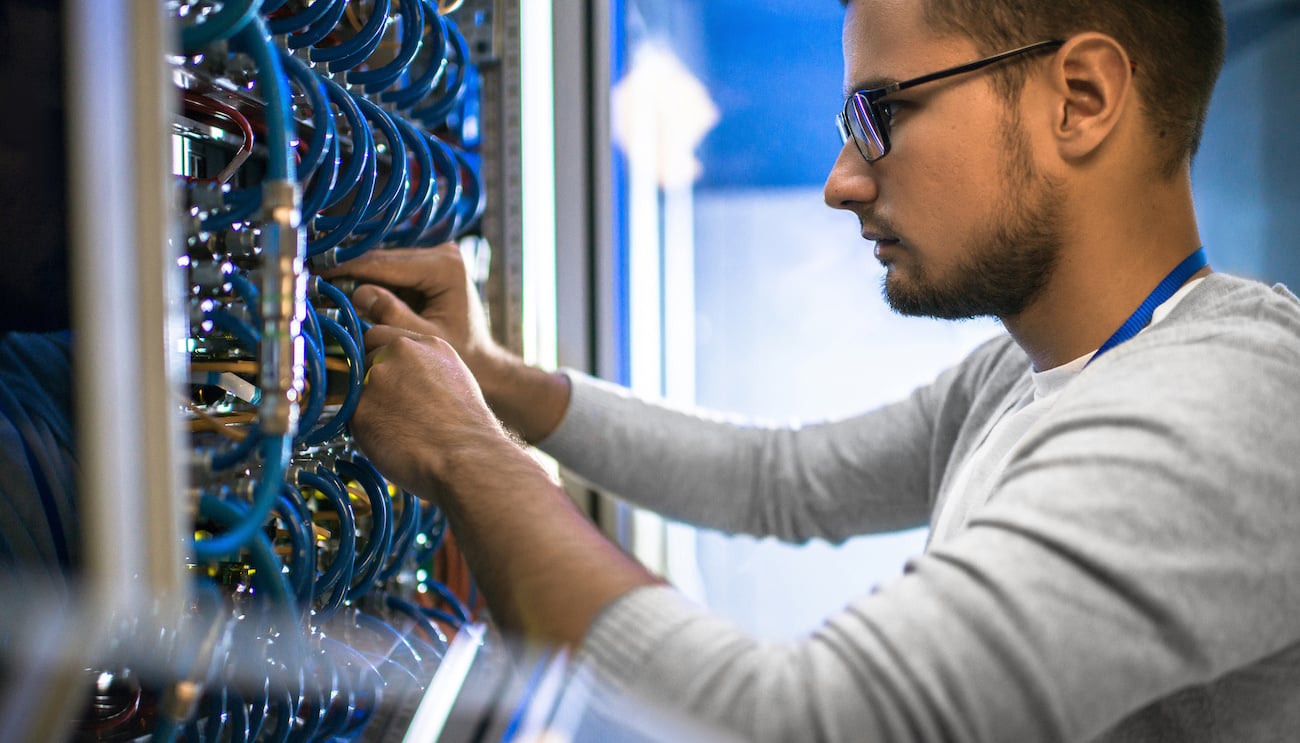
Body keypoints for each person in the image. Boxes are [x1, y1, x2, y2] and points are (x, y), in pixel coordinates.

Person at [331, 0, 1300, 740]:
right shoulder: (1016, 376)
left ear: (1080, 99)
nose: (842, 180)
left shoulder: (1232, 409)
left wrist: (465, 453)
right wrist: (493, 378)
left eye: (881, 112)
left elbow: (802, 721)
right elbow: (779, 478)